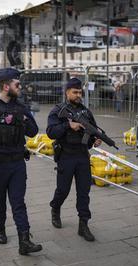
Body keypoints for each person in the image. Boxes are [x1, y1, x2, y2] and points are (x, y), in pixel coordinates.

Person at [0, 68, 42, 255]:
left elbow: (34, 132)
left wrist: (25, 119)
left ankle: (24, 240)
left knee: (18, 201)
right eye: (17, 84)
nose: (20, 87)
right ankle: (0, 228)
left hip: (17, 164)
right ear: (5, 86)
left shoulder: (21, 107)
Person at [46, 78, 102, 242]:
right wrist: (68, 126)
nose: (78, 95)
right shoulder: (58, 111)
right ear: (67, 92)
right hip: (66, 156)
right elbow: (50, 132)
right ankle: (55, 208)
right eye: (75, 92)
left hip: (83, 156)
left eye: (80, 92)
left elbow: (91, 134)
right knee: (63, 190)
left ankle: (83, 224)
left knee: (84, 192)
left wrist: (95, 141)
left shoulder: (86, 112)